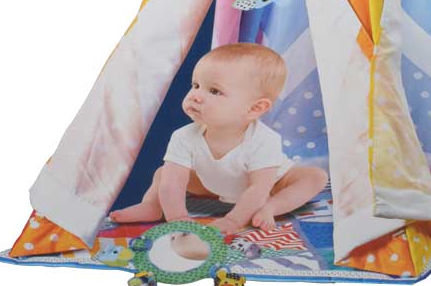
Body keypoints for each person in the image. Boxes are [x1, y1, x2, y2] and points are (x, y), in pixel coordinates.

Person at [110, 42, 328, 233]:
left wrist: (233, 220)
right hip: (213, 184)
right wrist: (177, 218)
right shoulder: (183, 136)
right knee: (164, 174)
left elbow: (258, 189)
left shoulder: (264, 140)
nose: (195, 96)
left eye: (214, 91)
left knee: (315, 176)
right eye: (196, 85)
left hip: (271, 186)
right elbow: (173, 183)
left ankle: (272, 207)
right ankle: (151, 206)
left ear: (255, 108)